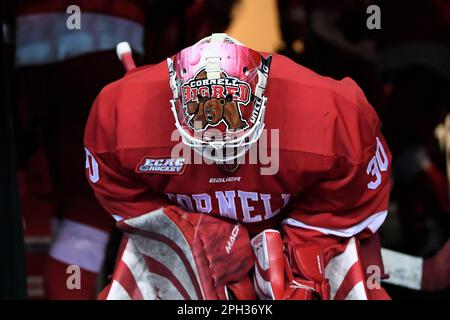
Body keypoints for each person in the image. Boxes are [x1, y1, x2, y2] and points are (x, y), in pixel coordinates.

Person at [84, 33, 392, 300]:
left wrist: (301, 252)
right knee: (146, 261)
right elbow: (117, 187)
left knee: (351, 274)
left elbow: (356, 200)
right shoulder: (122, 117)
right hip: (202, 229)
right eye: (208, 143)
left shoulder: (331, 114)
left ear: (263, 97)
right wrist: (186, 229)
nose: (223, 154)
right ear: (173, 103)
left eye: (234, 140)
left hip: (293, 222)